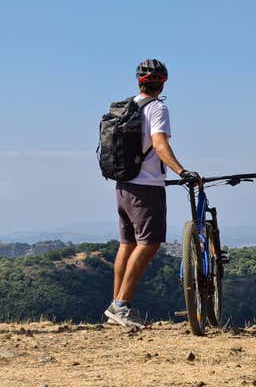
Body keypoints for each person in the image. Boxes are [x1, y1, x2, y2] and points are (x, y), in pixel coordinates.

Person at [104, 59, 199, 329]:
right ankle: (121, 306)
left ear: (139, 82)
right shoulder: (157, 108)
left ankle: (115, 306)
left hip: (123, 185)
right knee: (150, 243)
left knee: (127, 244)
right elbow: (159, 143)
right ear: (164, 82)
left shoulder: (128, 107)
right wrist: (182, 171)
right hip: (146, 187)